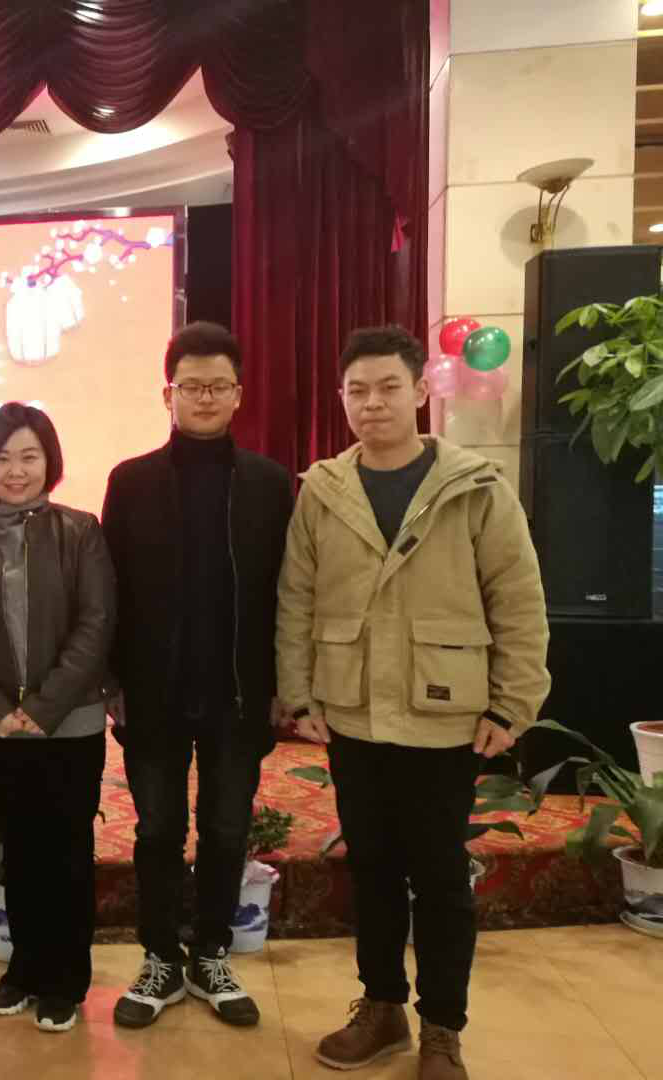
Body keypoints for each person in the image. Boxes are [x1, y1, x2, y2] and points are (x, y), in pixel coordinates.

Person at [276, 325, 549, 1080]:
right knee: (370, 869)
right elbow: (296, 597)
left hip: (444, 715)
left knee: (438, 878)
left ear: (422, 390)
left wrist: (512, 702)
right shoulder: (323, 491)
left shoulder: (475, 487)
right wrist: (297, 694)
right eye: (357, 390)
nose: (373, 403)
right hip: (354, 711)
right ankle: (382, 1007)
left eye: (388, 387)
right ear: (342, 399)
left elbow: (518, 598)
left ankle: (442, 1029)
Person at [101, 321, 293, 1030]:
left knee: (226, 829)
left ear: (239, 394)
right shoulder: (131, 481)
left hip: (238, 694)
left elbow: (289, 592)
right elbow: (110, 589)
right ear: (169, 394)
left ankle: (211, 953)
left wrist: (285, 685)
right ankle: (159, 956)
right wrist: (113, 681)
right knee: (156, 831)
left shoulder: (270, 484)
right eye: (192, 386)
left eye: (218, 385)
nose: (205, 397)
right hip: (153, 692)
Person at [0, 403, 117, 1033]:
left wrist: (43, 708)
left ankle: (65, 977)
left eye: (29, 456)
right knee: (18, 847)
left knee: (68, 847)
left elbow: (96, 624)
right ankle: (23, 966)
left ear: (50, 461)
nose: (15, 470)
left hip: (70, 722)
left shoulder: (80, 530)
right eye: (2, 458)